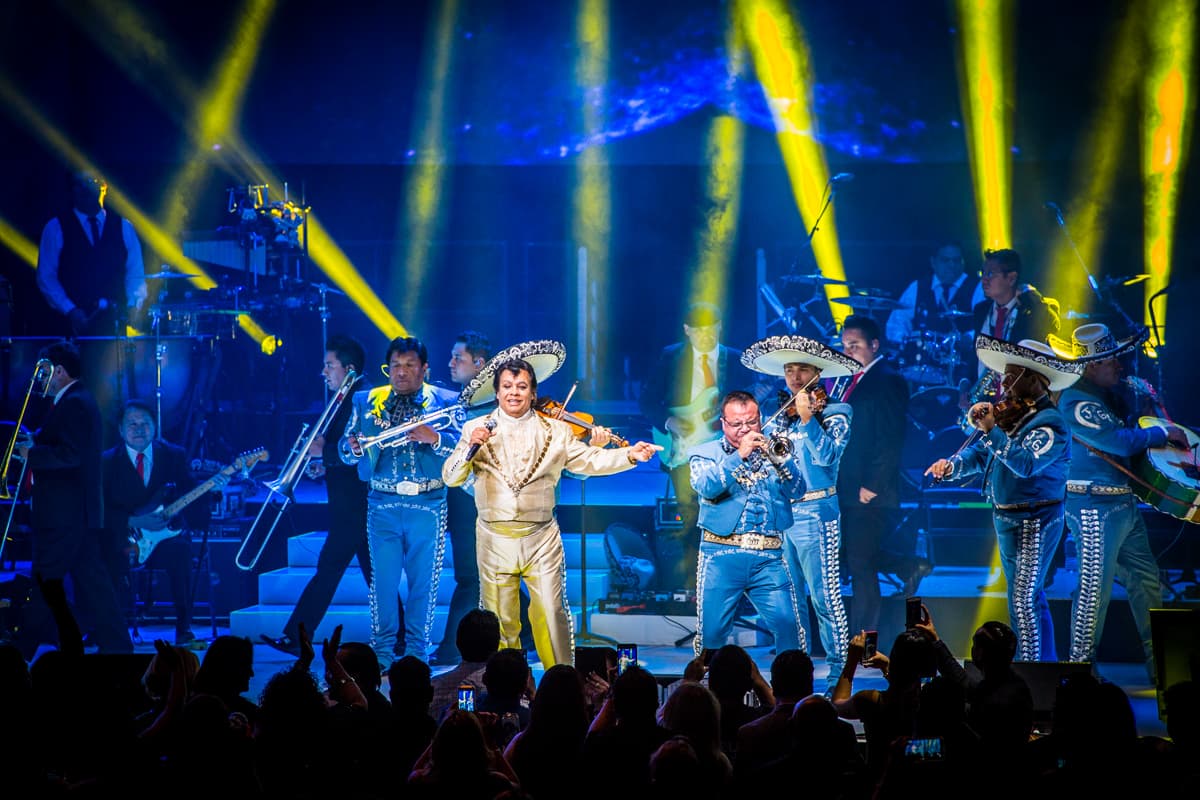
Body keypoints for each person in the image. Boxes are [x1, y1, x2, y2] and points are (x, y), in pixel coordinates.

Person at [442, 350, 660, 668]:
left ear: (533, 392)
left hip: (540, 537)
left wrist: (629, 455)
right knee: (500, 620)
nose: (514, 392)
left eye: (521, 386)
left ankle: (562, 684)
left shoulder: (556, 431)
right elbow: (451, 476)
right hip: (493, 537)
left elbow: (590, 460)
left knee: (551, 614)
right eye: (507, 386)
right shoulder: (477, 428)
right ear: (497, 391)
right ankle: (508, 690)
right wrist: (468, 446)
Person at [926, 335, 1083, 661]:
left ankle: (1029, 672)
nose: (1005, 382)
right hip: (1009, 517)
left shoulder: (1051, 422)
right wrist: (951, 466)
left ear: (1034, 379)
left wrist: (991, 430)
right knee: (1030, 597)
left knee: (1023, 599)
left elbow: (1026, 464)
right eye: (1005, 374)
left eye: (1013, 375)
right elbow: (982, 457)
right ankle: (1043, 664)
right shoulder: (1013, 417)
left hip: (1035, 518)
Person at [1052, 323, 1188, 679]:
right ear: (1092, 365)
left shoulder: (1102, 395)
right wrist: (1160, 432)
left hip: (1122, 505)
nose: (1119, 366)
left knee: (1148, 586)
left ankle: (1165, 676)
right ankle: (1079, 678)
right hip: (1094, 507)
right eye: (1111, 360)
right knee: (1092, 592)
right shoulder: (1075, 399)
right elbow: (1118, 441)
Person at [340, 336, 462, 668]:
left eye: (409, 365)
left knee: (424, 581)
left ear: (425, 369)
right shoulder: (367, 400)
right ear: (387, 368)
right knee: (383, 581)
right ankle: (381, 651)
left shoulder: (447, 401)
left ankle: (416, 652)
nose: (402, 372)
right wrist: (351, 447)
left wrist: (435, 438)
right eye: (395, 366)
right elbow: (344, 449)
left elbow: (465, 452)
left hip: (429, 501)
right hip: (382, 503)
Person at [745, 334, 857, 689]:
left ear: (818, 372)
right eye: (789, 370)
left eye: (802, 369)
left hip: (818, 512)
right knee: (788, 601)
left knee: (825, 596)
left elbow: (827, 457)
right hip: (783, 514)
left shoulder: (838, 412)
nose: (794, 376)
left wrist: (809, 419)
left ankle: (841, 674)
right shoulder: (779, 417)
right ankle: (796, 678)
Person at [16, 340, 132, 653]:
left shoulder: (76, 402)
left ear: (61, 372)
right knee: (92, 583)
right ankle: (117, 647)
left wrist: (33, 453)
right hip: (72, 513)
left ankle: (23, 648)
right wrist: (37, 441)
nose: (41, 379)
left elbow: (71, 454)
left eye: (46, 372)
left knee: (46, 581)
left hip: (66, 513)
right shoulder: (73, 401)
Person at [638, 302, 762, 591]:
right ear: (687, 331)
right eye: (699, 331)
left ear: (720, 327)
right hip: (683, 450)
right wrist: (670, 421)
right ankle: (692, 587)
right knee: (691, 517)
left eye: (711, 330)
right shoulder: (671, 357)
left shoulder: (735, 359)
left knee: (730, 514)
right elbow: (646, 402)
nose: (705, 337)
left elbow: (752, 402)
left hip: (728, 450)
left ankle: (729, 586)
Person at [262, 335, 371, 656]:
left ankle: (298, 637)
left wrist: (325, 455)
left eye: (329, 365)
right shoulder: (343, 397)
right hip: (348, 504)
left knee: (329, 570)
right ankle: (402, 635)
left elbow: (361, 449)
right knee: (373, 577)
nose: (324, 371)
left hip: (356, 505)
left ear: (348, 368)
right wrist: (324, 464)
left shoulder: (360, 398)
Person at [688, 389, 806, 656]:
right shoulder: (703, 453)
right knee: (712, 635)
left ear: (760, 418)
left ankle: (788, 693)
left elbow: (798, 490)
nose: (745, 429)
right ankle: (710, 694)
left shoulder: (775, 449)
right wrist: (738, 455)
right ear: (723, 423)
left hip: (769, 557)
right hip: (721, 555)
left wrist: (781, 461)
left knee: (789, 626)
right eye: (737, 424)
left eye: (751, 422)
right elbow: (706, 487)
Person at [102, 398, 220, 648]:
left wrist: (210, 490)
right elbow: (100, 509)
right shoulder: (107, 462)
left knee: (181, 550)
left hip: (165, 537)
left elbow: (189, 493)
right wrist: (134, 520)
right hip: (124, 537)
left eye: (145, 423)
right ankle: (110, 628)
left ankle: (183, 628)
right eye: (131, 424)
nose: (139, 429)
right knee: (104, 555)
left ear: (154, 427)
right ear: (121, 430)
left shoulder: (173, 455)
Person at [837, 314, 925, 637]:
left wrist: (872, 485)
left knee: (861, 565)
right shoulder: (853, 379)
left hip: (870, 490)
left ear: (874, 345)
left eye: (855, 345)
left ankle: (864, 639)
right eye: (845, 345)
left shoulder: (887, 379)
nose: (848, 351)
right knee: (855, 557)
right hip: (850, 487)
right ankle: (908, 564)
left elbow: (891, 439)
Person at [434, 330, 491, 664]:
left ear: (479, 363)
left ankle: (449, 650)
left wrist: (435, 440)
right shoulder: (456, 402)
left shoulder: (490, 405)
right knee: (475, 577)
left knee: (470, 577)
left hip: (477, 501)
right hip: (459, 501)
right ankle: (526, 631)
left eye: (459, 358)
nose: (451, 363)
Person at [36, 170, 147, 336]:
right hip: (70, 330)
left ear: (104, 187)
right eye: (78, 184)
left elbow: (135, 274)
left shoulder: (124, 227)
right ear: (72, 190)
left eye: (91, 182)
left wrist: (133, 306)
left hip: (112, 330)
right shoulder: (55, 227)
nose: (84, 188)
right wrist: (70, 310)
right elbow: (46, 276)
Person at [886, 241, 985, 343]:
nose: (951, 265)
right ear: (933, 262)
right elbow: (898, 321)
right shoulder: (917, 287)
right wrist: (903, 342)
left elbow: (985, 325)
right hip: (922, 355)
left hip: (963, 356)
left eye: (956, 260)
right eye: (945, 260)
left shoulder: (977, 288)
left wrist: (968, 338)